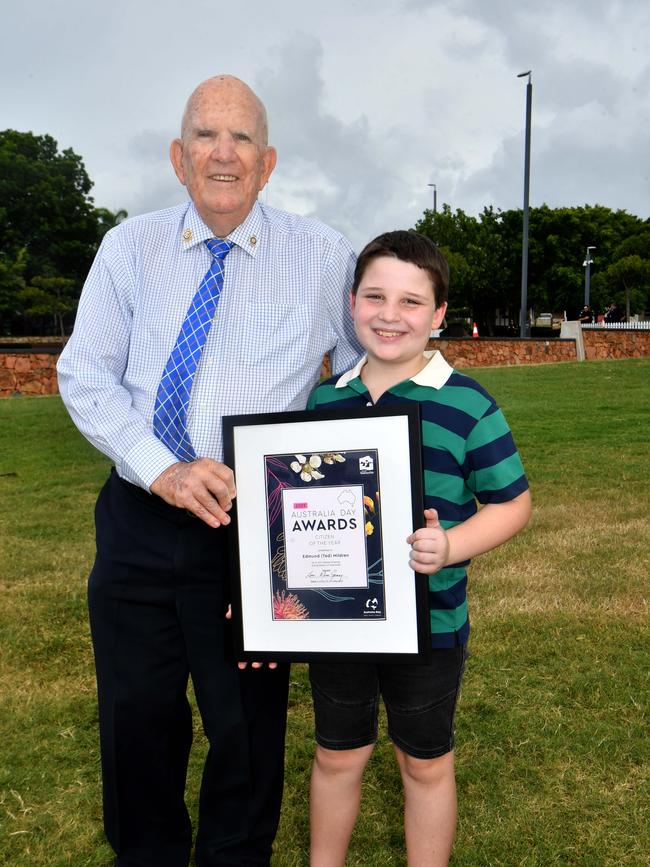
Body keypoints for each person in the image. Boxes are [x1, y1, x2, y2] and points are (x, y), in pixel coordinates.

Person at [57, 75, 360, 867]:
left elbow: (370, 372)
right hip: (140, 521)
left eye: (241, 139)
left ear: (268, 163)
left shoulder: (325, 255)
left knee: (248, 722)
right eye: (204, 136)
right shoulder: (129, 247)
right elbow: (84, 373)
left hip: (255, 529)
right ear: (177, 156)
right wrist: (162, 469)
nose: (222, 153)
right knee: (137, 714)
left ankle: (236, 854)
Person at [306, 231, 532, 866]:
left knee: (425, 763)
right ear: (352, 304)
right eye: (375, 296)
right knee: (336, 754)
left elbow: (514, 503)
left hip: (431, 622)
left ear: (437, 316)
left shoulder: (467, 403)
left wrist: (453, 543)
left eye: (411, 302)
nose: (389, 314)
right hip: (340, 620)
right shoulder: (327, 399)